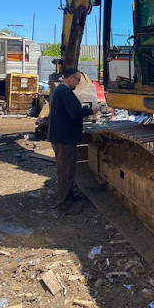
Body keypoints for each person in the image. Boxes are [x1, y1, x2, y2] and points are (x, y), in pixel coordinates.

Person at [48, 67, 97, 215]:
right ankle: (64, 206)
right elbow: (74, 112)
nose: (78, 83)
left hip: (61, 137)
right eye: (77, 80)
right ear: (70, 78)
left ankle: (65, 199)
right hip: (64, 139)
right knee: (66, 172)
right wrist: (91, 111)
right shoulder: (64, 91)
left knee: (64, 170)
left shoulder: (62, 91)